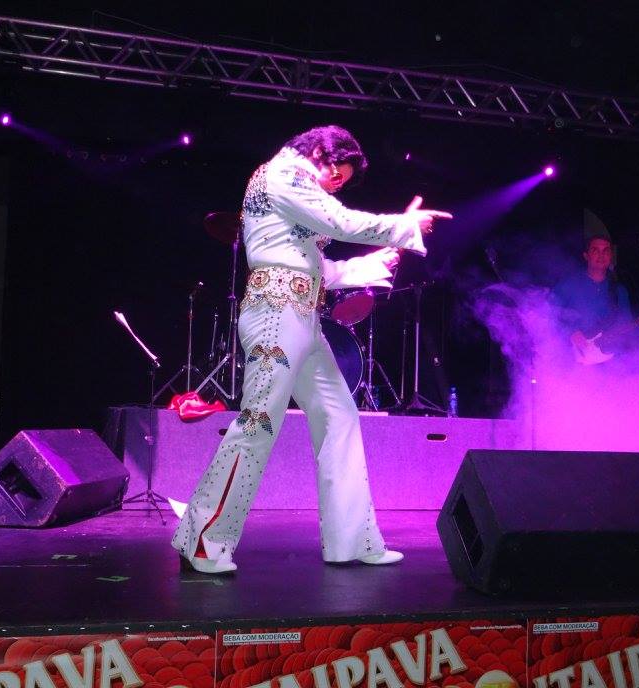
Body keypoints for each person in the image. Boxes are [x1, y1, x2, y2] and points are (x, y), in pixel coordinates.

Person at [171, 125, 451, 574]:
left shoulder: (295, 196)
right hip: (276, 314)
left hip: (300, 318)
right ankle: (204, 539)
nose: (336, 184)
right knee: (258, 424)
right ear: (321, 150)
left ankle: (352, 540)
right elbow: (339, 222)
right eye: (337, 173)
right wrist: (403, 227)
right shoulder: (283, 173)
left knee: (340, 417)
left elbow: (320, 270)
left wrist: (380, 255)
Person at [552, 235, 633, 365]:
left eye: (606, 251)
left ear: (611, 257)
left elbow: (626, 323)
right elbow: (548, 313)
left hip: (609, 361)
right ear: (586, 256)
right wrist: (570, 331)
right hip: (570, 359)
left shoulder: (619, 290)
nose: (601, 255)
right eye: (596, 251)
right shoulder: (568, 285)